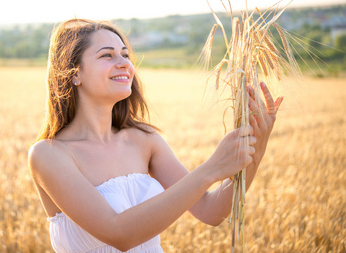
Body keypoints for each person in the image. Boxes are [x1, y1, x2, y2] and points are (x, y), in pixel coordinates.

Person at [28, 19, 283, 253]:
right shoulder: (49, 154)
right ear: (74, 73)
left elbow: (211, 210)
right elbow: (118, 233)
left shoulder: (144, 140)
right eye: (107, 55)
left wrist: (257, 145)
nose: (124, 63)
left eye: (125, 55)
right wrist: (211, 170)